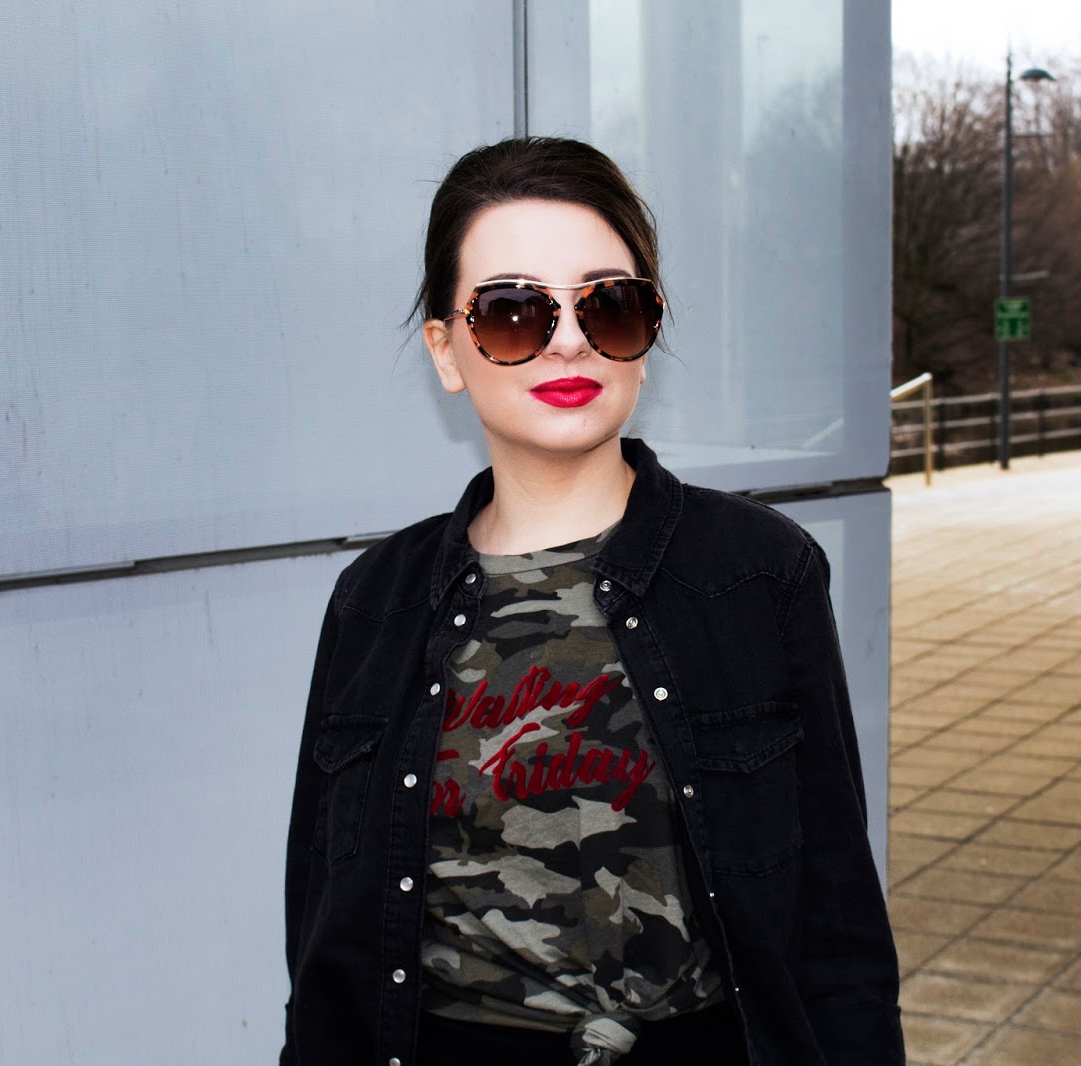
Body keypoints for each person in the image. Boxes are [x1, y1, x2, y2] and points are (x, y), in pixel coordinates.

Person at [280, 136, 902, 1066]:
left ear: (647, 334)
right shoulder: (374, 602)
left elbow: (837, 922)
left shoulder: (760, 573)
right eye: (513, 311)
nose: (569, 340)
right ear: (446, 351)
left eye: (608, 304)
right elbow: (320, 939)